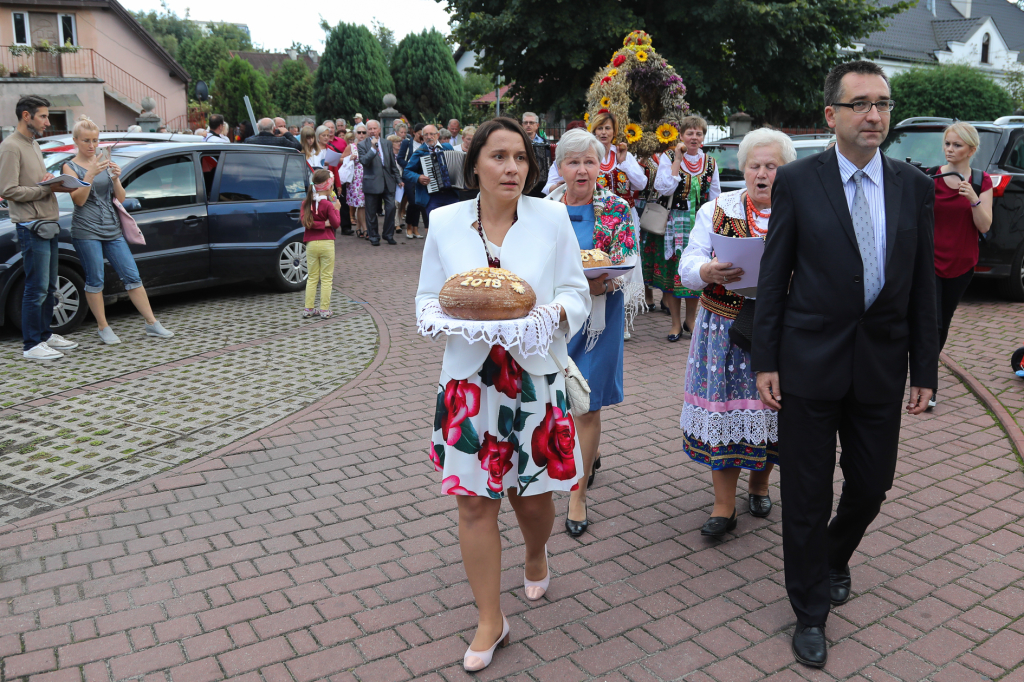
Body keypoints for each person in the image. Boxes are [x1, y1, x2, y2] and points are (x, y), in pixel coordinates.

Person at [752, 60, 938, 669]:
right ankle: (809, 609)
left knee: (871, 484)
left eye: (882, 103)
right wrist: (767, 358)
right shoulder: (800, 181)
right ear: (831, 114)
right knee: (806, 492)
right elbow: (774, 276)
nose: (874, 115)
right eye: (860, 104)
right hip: (807, 361)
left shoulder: (913, 185)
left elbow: (921, 288)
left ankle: (833, 555)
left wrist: (926, 368)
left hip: (881, 364)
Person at [415, 117, 591, 673]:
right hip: (469, 384)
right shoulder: (443, 222)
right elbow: (426, 298)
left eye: (520, 157)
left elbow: (575, 291)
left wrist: (548, 315)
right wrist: (444, 321)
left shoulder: (552, 217)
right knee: (473, 504)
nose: (512, 167)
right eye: (499, 156)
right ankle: (491, 619)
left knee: (535, 504)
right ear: (476, 166)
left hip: (533, 379)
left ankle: (535, 552)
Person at [677, 128, 794, 537]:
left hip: (779, 326)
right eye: (754, 166)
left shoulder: (799, 208)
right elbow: (688, 263)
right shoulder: (718, 208)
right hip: (723, 327)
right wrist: (705, 270)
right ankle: (723, 506)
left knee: (771, 410)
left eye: (771, 166)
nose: (761, 174)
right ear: (743, 169)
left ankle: (760, 484)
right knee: (724, 410)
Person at [546, 128, 640, 537]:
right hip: (555, 320)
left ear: (601, 165)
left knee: (587, 404)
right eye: (573, 162)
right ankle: (584, 458)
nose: (582, 170)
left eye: (589, 161)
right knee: (556, 399)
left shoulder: (617, 207)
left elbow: (623, 263)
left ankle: (577, 494)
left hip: (601, 316)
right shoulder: (542, 208)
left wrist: (593, 282)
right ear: (560, 166)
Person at [62, 115, 174, 344]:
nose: (92, 145)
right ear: (76, 141)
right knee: (95, 279)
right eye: (86, 141)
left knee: (132, 275)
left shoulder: (103, 160)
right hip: (86, 230)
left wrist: (115, 179)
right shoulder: (69, 166)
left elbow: (120, 198)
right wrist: (91, 174)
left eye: (95, 140)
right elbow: (79, 200)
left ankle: (152, 323)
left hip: (112, 228)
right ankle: (103, 327)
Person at [0, 95, 79, 360]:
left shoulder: (32, 143)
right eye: (43, 116)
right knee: (35, 286)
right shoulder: (11, 146)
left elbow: (33, 183)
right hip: (31, 225)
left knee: (48, 285)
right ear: (26, 116)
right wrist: (44, 188)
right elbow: (8, 190)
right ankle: (31, 345)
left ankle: (45, 335)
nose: (48, 121)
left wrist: (47, 181)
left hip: (47, 221)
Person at [928, 122, 993, 410]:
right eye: (947, 144)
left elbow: (985, 225)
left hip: (962, 263)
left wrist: (973, 199)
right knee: (933, 323)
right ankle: (929, 386)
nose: (950, 150)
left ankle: (923, 368)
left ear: (972, 149)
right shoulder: (931, 178)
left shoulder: (981, 181)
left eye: (957, 145)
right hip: (930, 262)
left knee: (943, 324)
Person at [647, 115, 722, 342]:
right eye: (690, 133)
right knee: (673, 273)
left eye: (698, 133)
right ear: (681, 136)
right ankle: (675, 324)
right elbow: (662, 188)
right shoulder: (668, 157)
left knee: (697, 270)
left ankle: (691, 319)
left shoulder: (709, 162)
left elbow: (715, 194)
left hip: (698, 224)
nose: (694, 137)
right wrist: (677, 160)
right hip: (673, 223)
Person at [301, 168, 341, 319]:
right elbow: (336, 223)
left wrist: (319, 223)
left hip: (311, 243)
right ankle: (324, 309)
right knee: (326, 277)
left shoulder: (306, 203)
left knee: (312, 277)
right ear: (329, 187)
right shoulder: (329, 205)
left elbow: (306, 222)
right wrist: (336, 211)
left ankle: (308, 309)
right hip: (327, 243)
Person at [359, 119, 402, 246]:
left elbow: (392, 164)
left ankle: (388, 234)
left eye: (374, 129)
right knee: (371, 212)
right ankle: (373, 236)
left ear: (379, 129)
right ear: (367, 131)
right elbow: (364, 161)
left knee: (391, 208)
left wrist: (398, 179)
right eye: (370, 129)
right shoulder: (362, 145)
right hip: (372, 182)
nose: (372, 131)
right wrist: (373, 149)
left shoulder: (387, 143)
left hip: (388, 181)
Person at [404, 124, 458, 220]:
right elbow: (407, 171)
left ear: (437, 135)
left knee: (454, 222)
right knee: (435, 225)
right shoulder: (420, 152)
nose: (429, 137)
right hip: (432, 196)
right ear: (423, 137)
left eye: (432, 134)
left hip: (451, 194)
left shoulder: (447, 147)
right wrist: (418, 177)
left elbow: (455, 164)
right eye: (426, 135)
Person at [398, 123, 426, 237]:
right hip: (409, 176)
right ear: (414, 133)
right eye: (420, 134)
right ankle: (409, 226)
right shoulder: (407, 143)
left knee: (419, 203)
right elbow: (400, 158)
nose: (421, 136)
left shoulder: (426, 145)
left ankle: (415, 228)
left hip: (421, 177)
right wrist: (410, 166)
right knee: (413, 201)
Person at [343, 128, 367, 238]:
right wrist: (349, 158)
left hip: (368, 177)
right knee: (361, 204)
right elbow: (340, 159)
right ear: (355, 134)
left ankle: (358, 228)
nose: (361, 134)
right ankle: (366, 229)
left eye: (364, 132)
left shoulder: (370, 145)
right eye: (359, 132)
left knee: (364, 204)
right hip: (356, 179)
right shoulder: (352, 146)